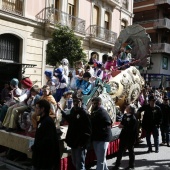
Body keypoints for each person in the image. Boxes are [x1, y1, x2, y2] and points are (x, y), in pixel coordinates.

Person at [57, 94, 91, 170]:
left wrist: (82, 143)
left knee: (80, 165)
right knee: (74, 162)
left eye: (77, 101)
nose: (75, 103)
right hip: (73, 141)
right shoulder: (73, 110)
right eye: (74, 101)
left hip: (80, 143)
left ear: (81, 101)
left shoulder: (84, 112)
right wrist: (61, 110)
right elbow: (70, 119)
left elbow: (88, 130)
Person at [29, 100, 60, 170]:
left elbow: (47, 141)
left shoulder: (48, 122)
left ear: (42, 109)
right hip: (39, 159)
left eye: (37, 108)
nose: (35, 110)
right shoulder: (42, 121)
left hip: (44, 161)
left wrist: (34, 147)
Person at [113, 104, 137, 170]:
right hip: (123, 136)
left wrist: (123, 126)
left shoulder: (133, 118)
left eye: (127, 107)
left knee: (131, 152)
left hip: (130, 138)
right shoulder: (125, 115)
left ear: (130, 110)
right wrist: (121, 125)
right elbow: (122, 123)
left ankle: (131, 166)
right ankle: (117, 165)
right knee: (120, 151)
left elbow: (132, 129)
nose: (126, 107)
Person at [90, 97, 112, 170]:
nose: (93, 105)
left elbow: (109, 122)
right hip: (97, 137)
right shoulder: (95, 111)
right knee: (101, 158)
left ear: (99, 103)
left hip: (103, 138)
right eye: (92, 103)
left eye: (94, 103)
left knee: (100, 160)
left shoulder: (102, 112)